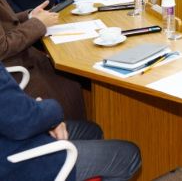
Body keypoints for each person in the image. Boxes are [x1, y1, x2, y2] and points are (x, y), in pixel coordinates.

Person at [0, 61, 141, 181]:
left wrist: (42, 114)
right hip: (13, 162)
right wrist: (51, 112)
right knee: (129, 155)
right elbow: (23, 122)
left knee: (92, 131)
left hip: (10, 133)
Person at [0, 0, 85, 120]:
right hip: (12, 72)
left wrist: (30, 15)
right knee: (70, 86)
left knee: (70, 78)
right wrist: (38, 23)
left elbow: (6, 21)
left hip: (21, 59)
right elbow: (3, 47)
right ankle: (69, 129)